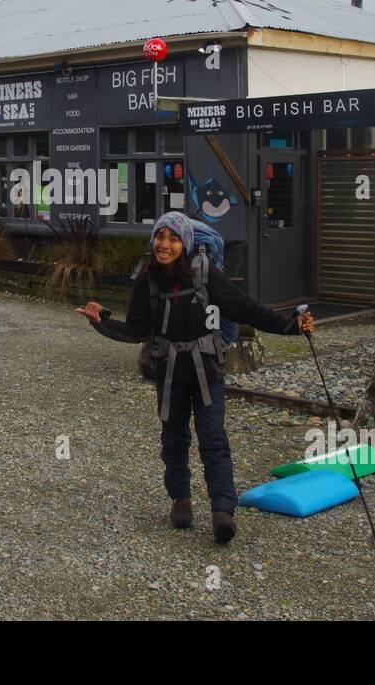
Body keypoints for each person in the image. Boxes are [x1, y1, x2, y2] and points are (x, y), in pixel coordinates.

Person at [75, 211, 315, 544]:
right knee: (173, 440)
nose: (164, 244)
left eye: (173, 238)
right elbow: (138, 330)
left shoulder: (205, 275)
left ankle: (222, 512)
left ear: (185, 243)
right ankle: (181, 500)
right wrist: (100, 321)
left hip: (206, 370)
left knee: (213, 439)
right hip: (170, 372)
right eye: (160, 237)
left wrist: (291, 326)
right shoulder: (147, 280)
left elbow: (245, 310)